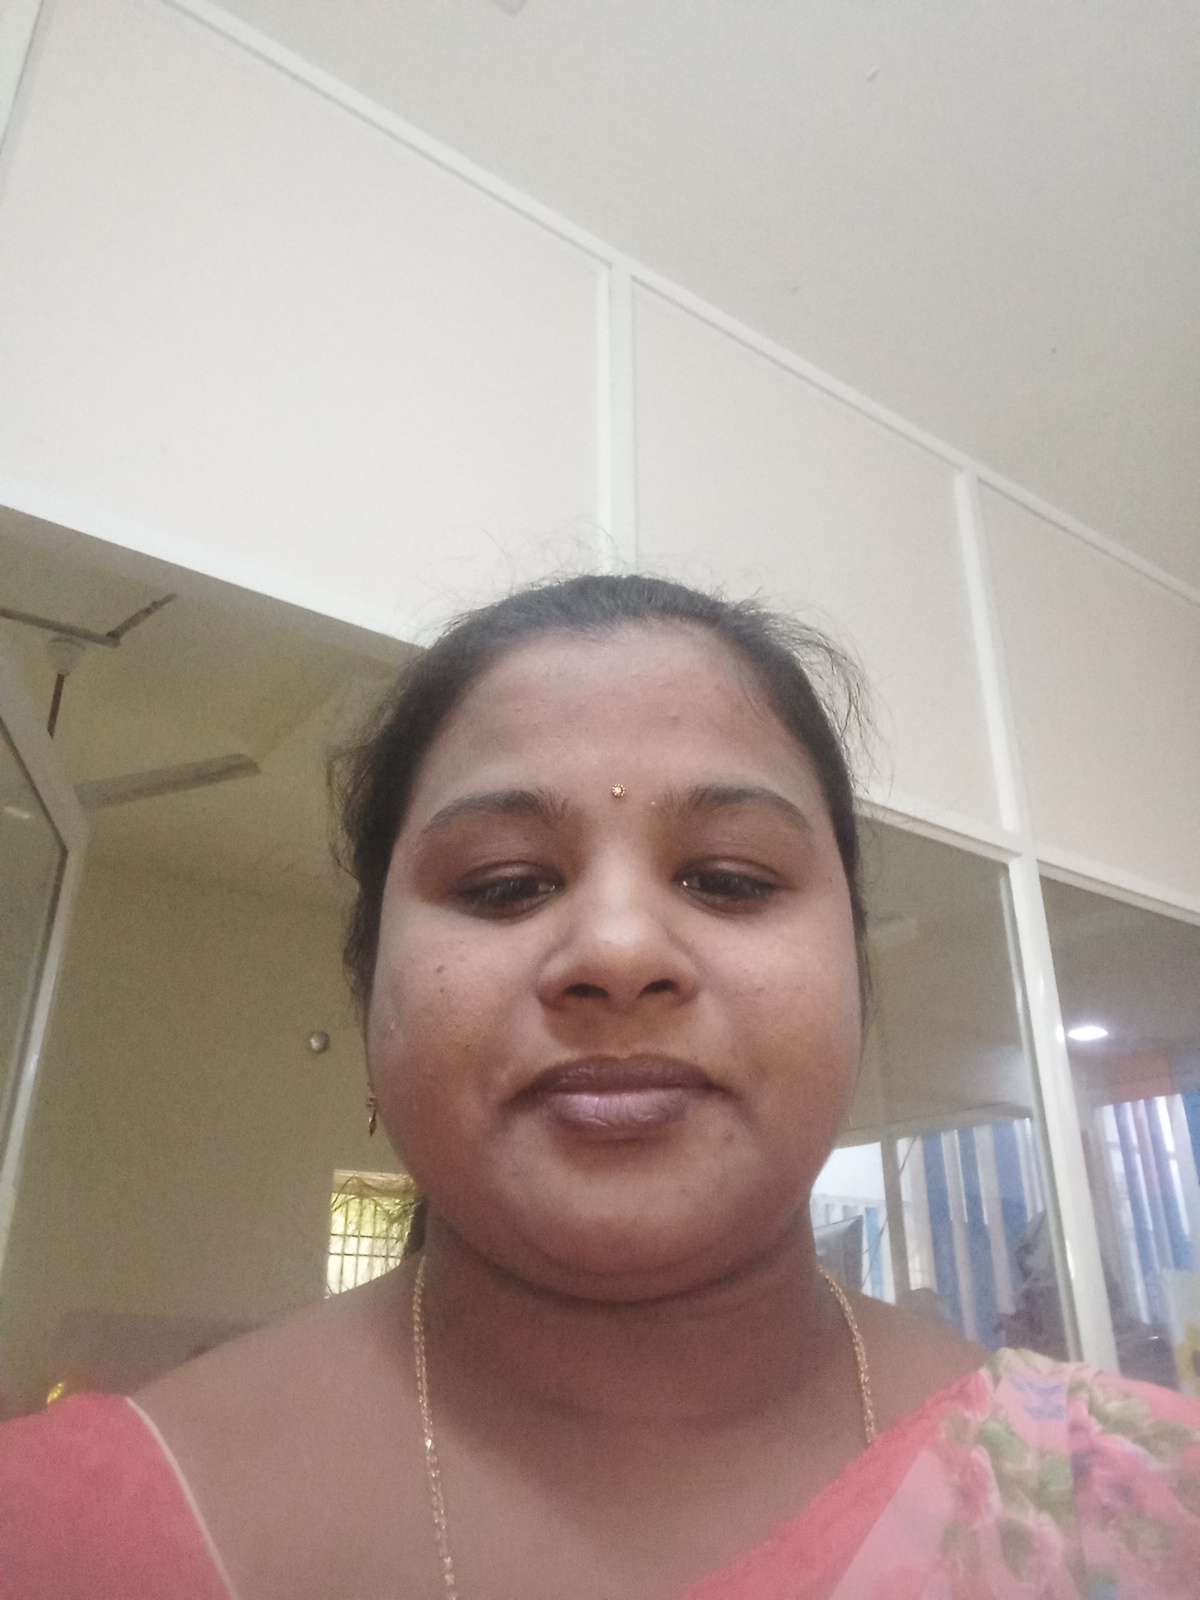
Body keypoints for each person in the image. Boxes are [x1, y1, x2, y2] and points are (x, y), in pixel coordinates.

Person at [2, 572, 1199, 1599]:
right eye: (505, 884)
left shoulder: (1148, 1506)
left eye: (729, 878)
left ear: (855, 973)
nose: (619, 951)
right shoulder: (48, 1541)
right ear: (368, 984)